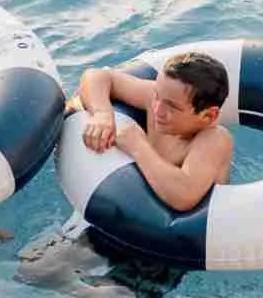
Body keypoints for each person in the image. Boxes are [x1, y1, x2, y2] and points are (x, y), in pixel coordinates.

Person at [71, 51, 234, 211]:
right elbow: (97, 76)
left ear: (208, 115)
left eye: (172, 106)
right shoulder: (156, 100)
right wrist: (102, 113)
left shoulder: (215, 139)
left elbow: (183, 196)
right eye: (157, 95)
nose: (157, 109)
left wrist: (138, 146)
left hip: (183, 233)